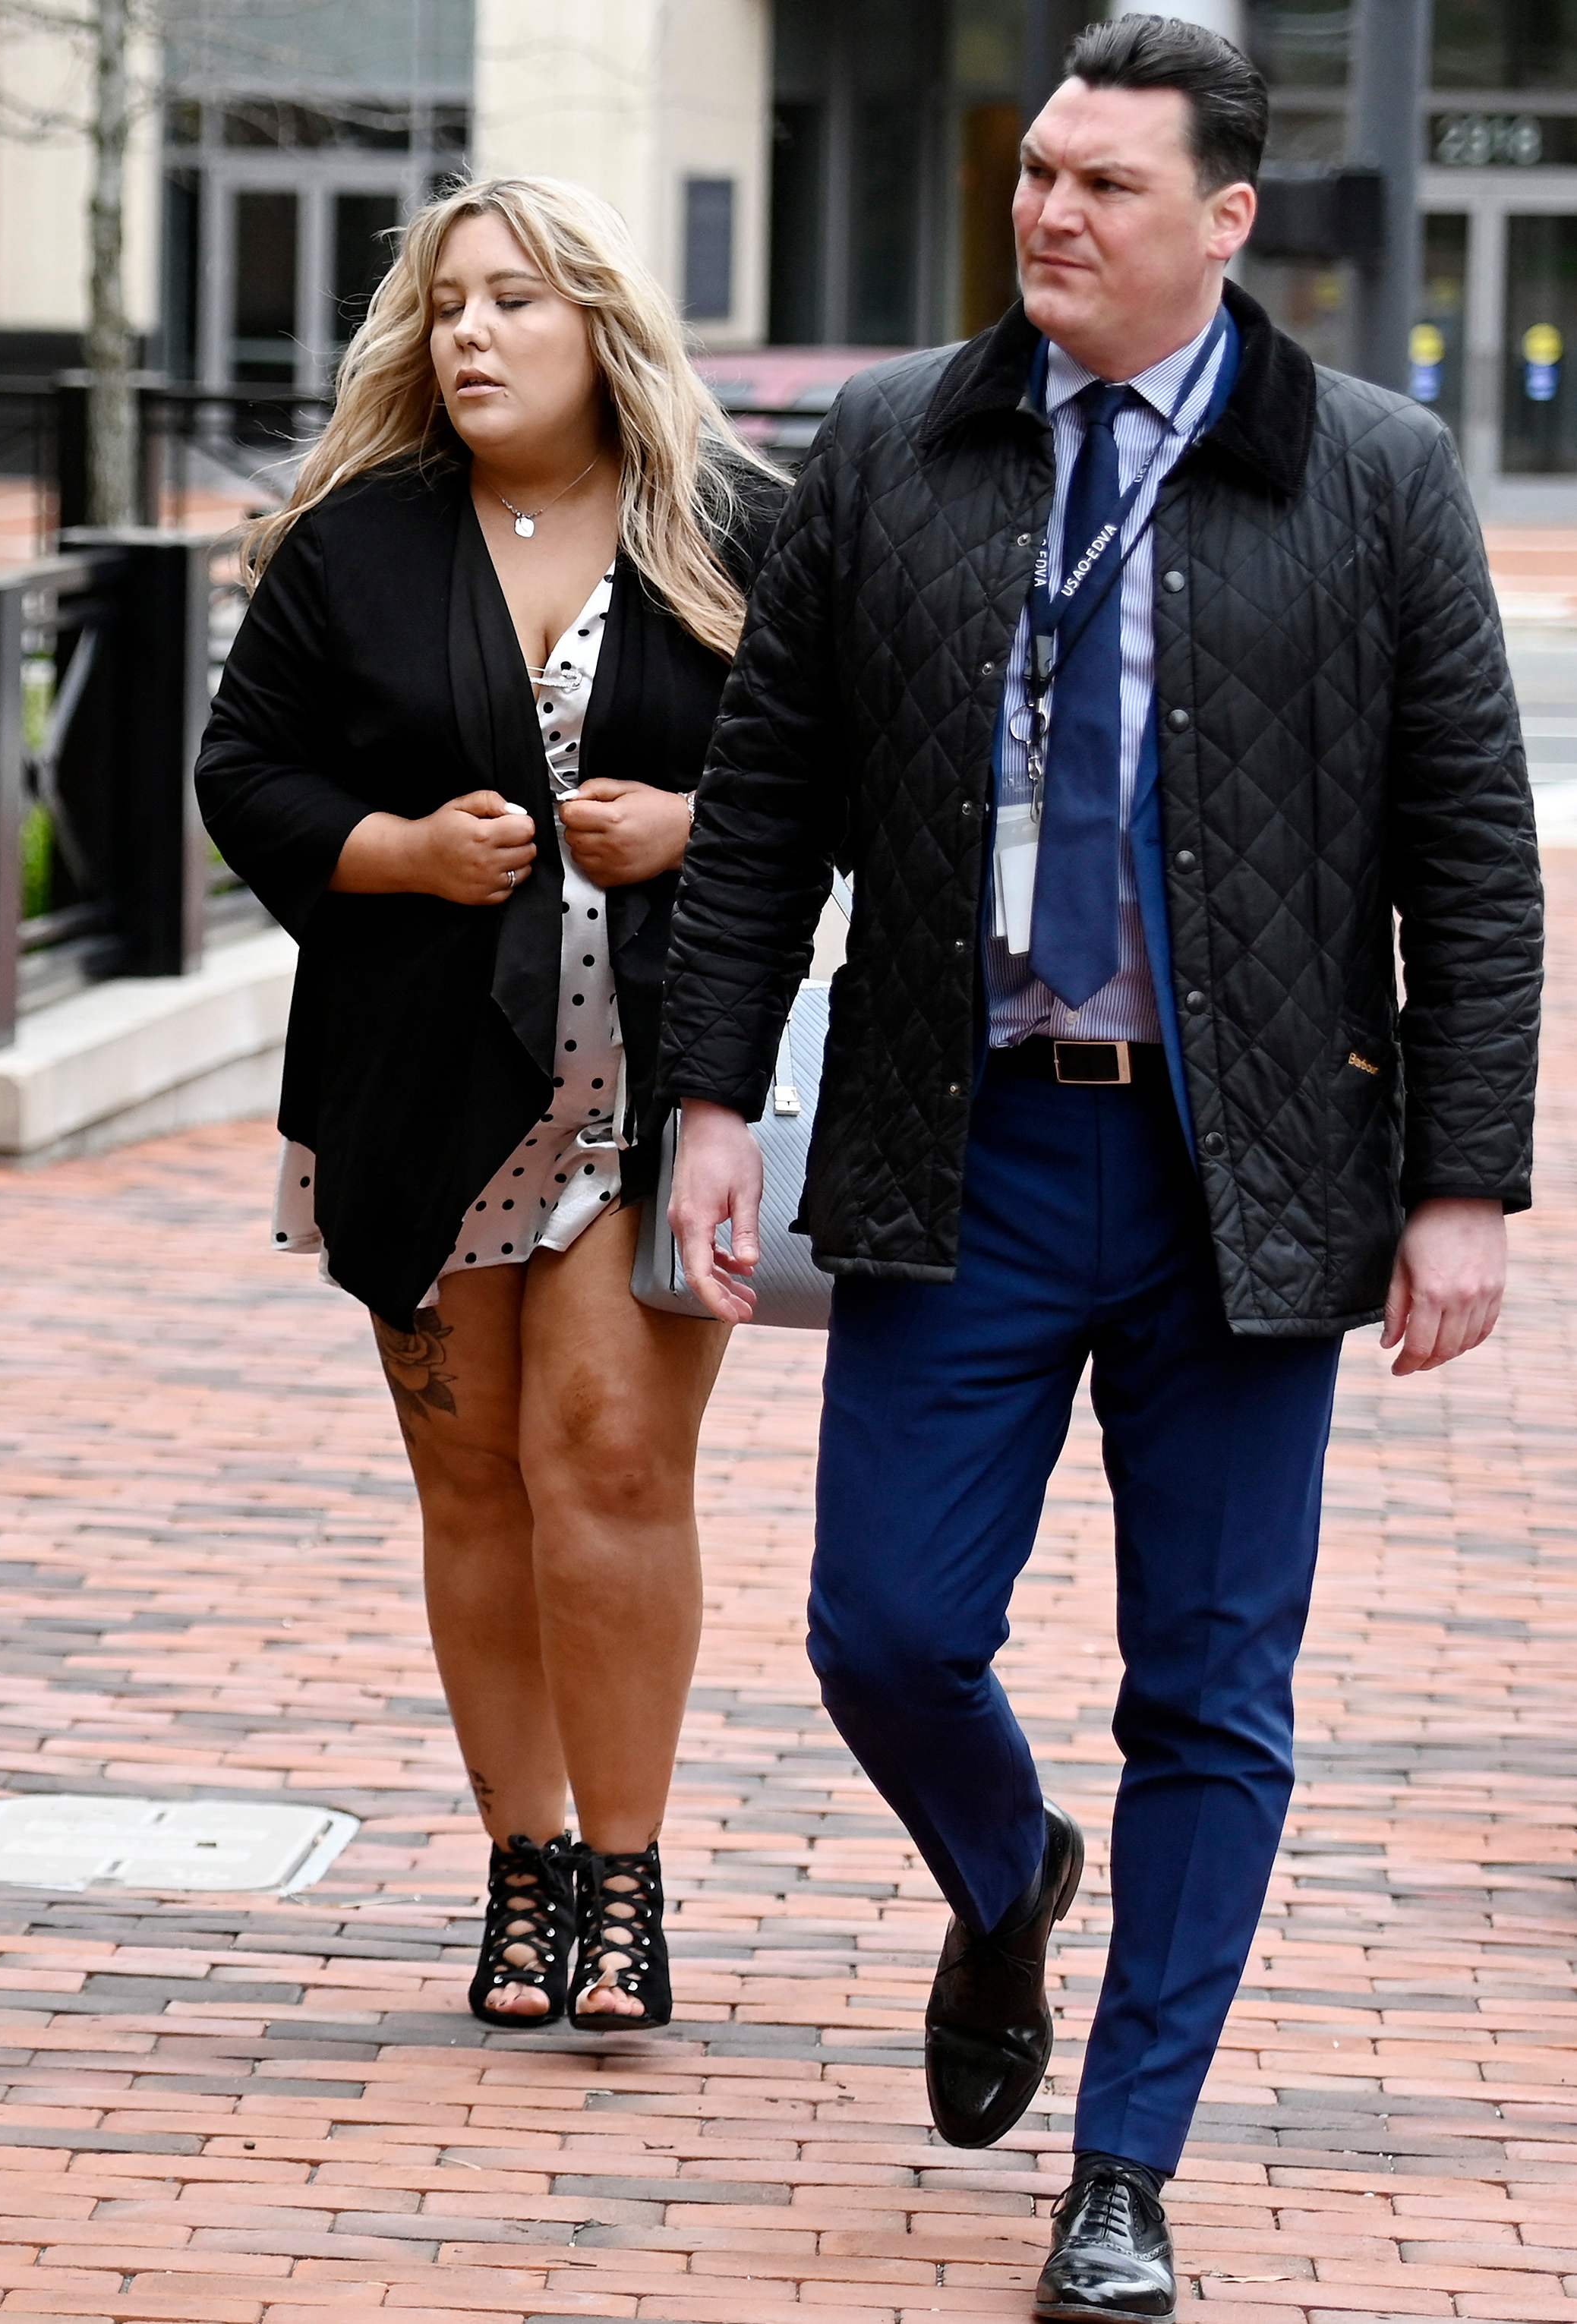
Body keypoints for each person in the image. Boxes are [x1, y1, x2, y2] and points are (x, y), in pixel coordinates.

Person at [661, 20, 1538, 2319]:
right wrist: (708, 1100)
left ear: (1224, 222)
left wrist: (1462, 1179)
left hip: (1242, 1173)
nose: (1048, 211)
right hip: (966, 1146)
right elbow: (763, 809)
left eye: (1104, 186)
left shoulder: (1369, 474)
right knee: (884, 1626)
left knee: (1210, 1685)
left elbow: (1469, 851)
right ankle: (1004, 1862)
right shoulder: (884, 449)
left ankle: (1123, 2162)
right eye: (1037, 171)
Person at [196, 176, 784, 2035]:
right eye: (447, 302)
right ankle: (520, 1868)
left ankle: (626, 1877)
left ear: (600, 325)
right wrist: (396, 852)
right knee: (471, 1479)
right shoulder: (357, 545)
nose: (468, 333)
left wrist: (698, 828)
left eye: (515, 300)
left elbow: (853, 769)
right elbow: (241, 770)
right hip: (421, 1085)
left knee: (606, 1458)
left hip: (659, 1082)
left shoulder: (735, 532)